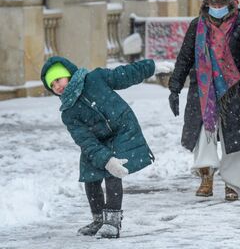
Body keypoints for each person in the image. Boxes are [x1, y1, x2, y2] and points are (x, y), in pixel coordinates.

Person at [40, 56, 156, 238]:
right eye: (52, 85)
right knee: (89, 173)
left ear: (68, 75)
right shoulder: (68, 113)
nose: (57, 86)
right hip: (97, 140)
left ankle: (112, 221)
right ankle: (99, 219)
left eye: (58, 79)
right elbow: (85, 141)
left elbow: (124, 75)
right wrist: (105, 159)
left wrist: (151, 67)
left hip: (121, 128)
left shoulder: (95, 78)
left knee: (113, 171)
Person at [168, 0, 240, 202]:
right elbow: (184, 58)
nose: (216, 6)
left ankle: (232, 185)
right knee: (203, 134)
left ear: (229, 4)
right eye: (212, 2)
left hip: (234, 91)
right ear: (206, 3)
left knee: (234, 139)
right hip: (203, 90)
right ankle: (206, 176)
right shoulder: (197, 26)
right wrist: (175, 88)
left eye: (220, 2)